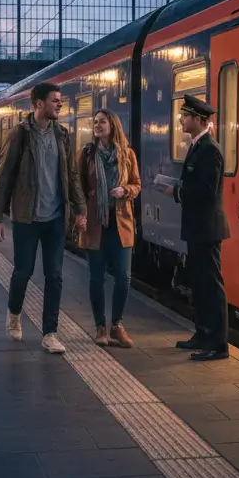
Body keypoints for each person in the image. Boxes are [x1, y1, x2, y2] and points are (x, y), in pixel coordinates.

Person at [0, 81, 85, 354]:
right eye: (55, 100)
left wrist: (80, 211)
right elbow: (3, 175)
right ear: (39, 104)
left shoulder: (62, 135)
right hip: (26, 217)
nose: (60, 104)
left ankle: (50, 333)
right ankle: (14, 313)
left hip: (55, 217)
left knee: (54, 275)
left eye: (60, 100)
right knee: (23, 271)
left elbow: (72, 176)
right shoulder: (20, 134)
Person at [155, 95, 230, 361]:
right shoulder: (198, 146)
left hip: (207, 227)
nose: (181, 120)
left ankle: (218, 344)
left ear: (199, 120)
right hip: (198, 226)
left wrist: (175, 190)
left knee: (211, 285)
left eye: (185, 116)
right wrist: (177, 188)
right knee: (199, 283)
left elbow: (206, 191)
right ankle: (202, 333)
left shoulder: (210, 149)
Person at [79, 109, 140, 348]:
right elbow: (78, 186)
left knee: (123, 278)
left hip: (121, 223)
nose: (97, 125)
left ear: (112, 125)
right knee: (96, 279)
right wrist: (79, 214)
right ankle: (100, 327)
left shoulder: (127, 154)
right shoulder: (86, 154)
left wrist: (125, 191)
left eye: (102, 122)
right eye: (95, 122)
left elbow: (136, 184)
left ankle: (117, 325)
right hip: (95, 224)